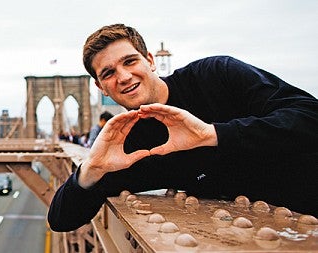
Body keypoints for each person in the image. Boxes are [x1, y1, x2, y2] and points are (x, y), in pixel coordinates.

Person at [48, 24, 318, 232]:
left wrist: (212, 135)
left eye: (130, 61)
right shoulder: (129, 145)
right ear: (100, 87)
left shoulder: (216, 75)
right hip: (259, 235)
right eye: (108, 73)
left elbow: (310, 116)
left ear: (150, 61)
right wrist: (92, 168)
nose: (124, 76)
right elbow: (61, 220)